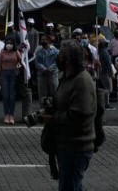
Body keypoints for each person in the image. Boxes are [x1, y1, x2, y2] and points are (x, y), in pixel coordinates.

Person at [41, 40, 97, 191]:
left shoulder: (81, 81)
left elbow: (78, 116)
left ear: (68, 59)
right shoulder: (68, 78)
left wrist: (53, 119)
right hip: (66, 145)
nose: (58, 58)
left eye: (60, 55)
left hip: (76, 147)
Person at [0, 38, 22, 125]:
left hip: (13, 74)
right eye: (7, 43)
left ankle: (11, 115)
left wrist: (18, 66)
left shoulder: (16, 52)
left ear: (13, 44)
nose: (9, 45)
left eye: (10, 43)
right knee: (5, 96)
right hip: (4, 74)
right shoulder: (2, 52)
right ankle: (6, 114)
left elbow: (20, 62)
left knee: (12, 96)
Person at [35, 34, 59, 100]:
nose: (42, 41)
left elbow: (57, 62)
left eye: (44, 39)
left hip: (53, 75)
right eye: (41, 39)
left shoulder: (55, 51)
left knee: (54, 94)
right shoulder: (38, 51)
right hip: (42, 75)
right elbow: (37, 63)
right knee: (42, 96)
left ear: (48, 40)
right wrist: (44, 69)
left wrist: (50, 68)